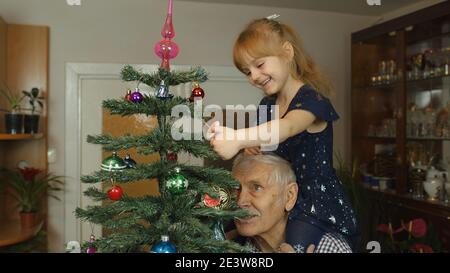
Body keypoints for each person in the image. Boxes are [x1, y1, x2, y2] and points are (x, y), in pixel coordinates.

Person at [208, 16, 359, 250]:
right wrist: (252, 148)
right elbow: (267, 146)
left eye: (259, 65)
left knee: (291, 247)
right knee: (228, 231)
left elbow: (286, 127)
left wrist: (238, 138)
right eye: (247, 72)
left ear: (287, 53)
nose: (254, 77)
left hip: (311, 204)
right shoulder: (267, 105)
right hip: (279, 200)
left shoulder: (311, 101)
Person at [230, 153, 352, 253]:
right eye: (235, 188)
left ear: (289, 196)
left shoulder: (330, 248)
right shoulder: (226, 247)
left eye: (256, 187)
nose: (240, 201)